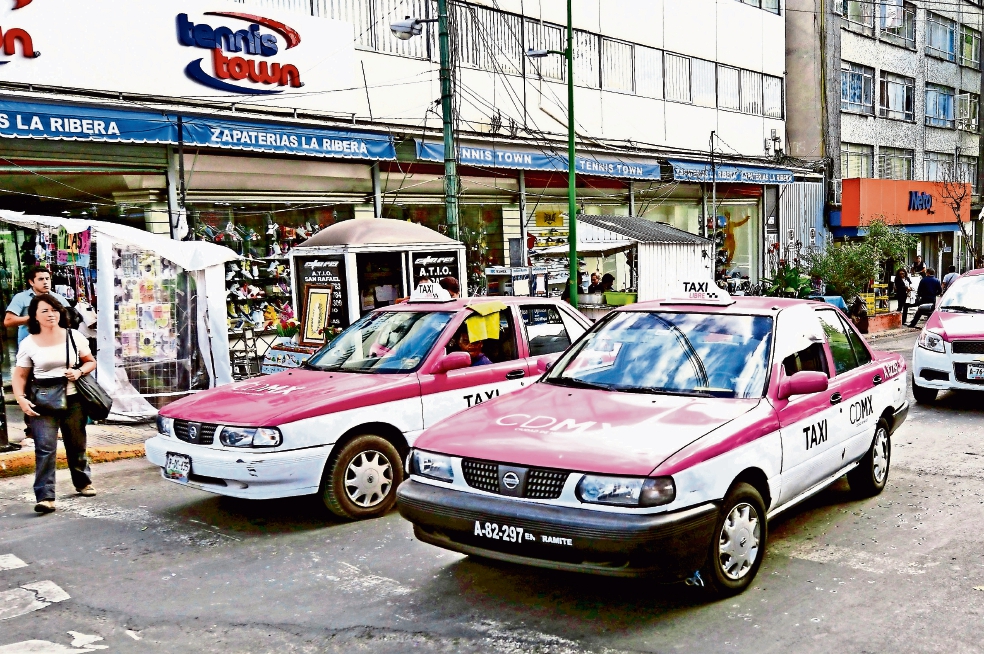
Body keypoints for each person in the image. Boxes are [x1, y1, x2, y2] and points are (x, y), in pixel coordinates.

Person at [11, 294, 97, 514]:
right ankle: (45, 496)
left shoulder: (74, 336)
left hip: (74, 399)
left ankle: (82, 482)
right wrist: (21, 399)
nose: (51, 314)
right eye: (45, 311)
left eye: (54, 310)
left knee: (76, 444)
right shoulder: (28, 342)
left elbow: (90, 362)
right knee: (45, 448)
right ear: (35, 317)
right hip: (42, 401)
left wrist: (78, 371)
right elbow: (20, 375)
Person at [4, 266, 71, 346]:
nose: (45, 282)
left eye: (47, 278)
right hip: (30, 345)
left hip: (55, 343)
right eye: (41, 279)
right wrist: (36, 317)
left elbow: (71, 317)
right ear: (31, 282)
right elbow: (8, 321)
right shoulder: (21, 297)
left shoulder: (58, 298)